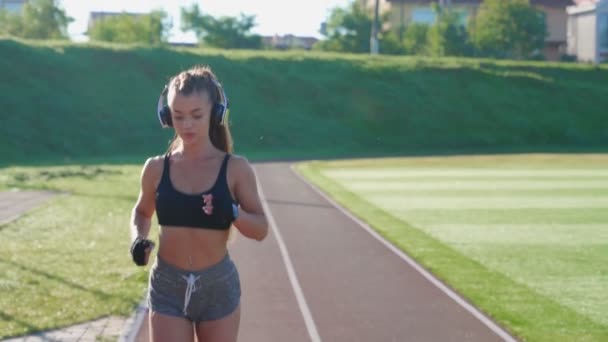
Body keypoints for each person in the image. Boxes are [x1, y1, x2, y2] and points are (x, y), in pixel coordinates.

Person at [129, 65, 269, 342]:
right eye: (178, 116)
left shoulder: (235, 169)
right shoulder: (156, 168)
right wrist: (137, 239)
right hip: (167, 285)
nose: (187, 125)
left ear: (216, 113)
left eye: (196, 115)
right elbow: (142, 212)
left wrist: (231, 211)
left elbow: (261, 229)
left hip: (217, 287)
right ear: (166, 116)